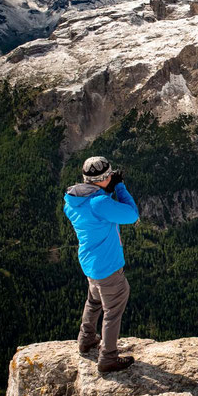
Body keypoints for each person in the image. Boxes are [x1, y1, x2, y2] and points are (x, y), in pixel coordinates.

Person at [63, 156, 139, 373]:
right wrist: (120, 187)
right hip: (107, 266)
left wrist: (105, 189)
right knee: (112, 311)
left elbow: (94, 208)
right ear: (105, 177)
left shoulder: (71, 200)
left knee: (94, 300)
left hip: (89, 263)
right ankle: (108, 357)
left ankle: (86, 339)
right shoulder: (100, 203)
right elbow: (131, 215)